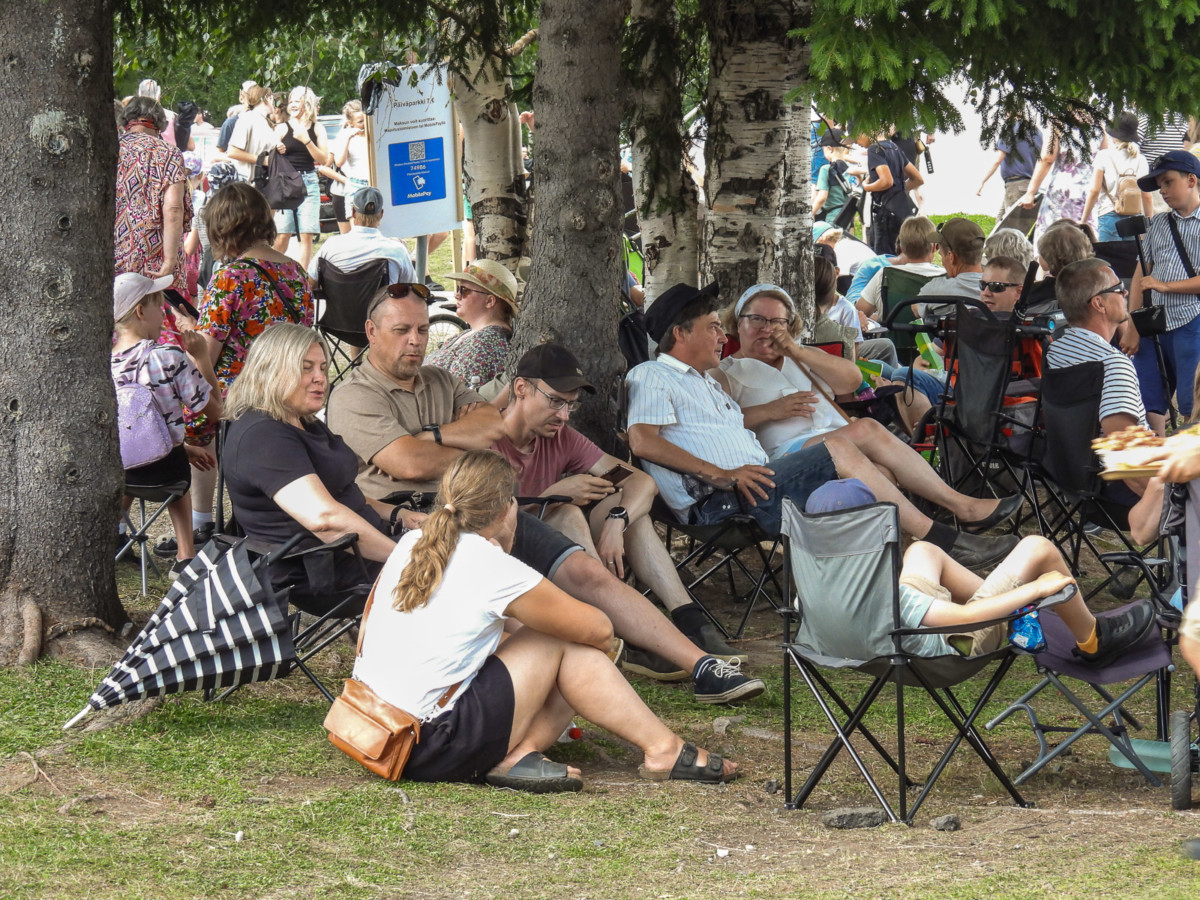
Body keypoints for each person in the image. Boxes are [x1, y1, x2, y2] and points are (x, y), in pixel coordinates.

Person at [326, 283, 764, 703]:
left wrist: (430, 435)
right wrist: (455, 442)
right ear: (371, 332)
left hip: (478, 513)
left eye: (422, 329)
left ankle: (702, 664)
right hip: (410, 527)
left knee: (588, 572)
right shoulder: (353, 395)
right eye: (402, 330)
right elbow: (409, 464)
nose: (416, 340)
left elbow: (491, 425)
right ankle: (618, 646)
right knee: (561, 532)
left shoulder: (439, 379)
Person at [353, 450, 738, 790]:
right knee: (567, 638)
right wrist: (508, 557)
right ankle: (661, 749)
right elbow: (599, 629)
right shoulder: (490, 564)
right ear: (506, 509)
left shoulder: (413, 543)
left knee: (551, 637)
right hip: (431, 745)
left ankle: (653, 748)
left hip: (380, 730)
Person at [626, 282, 1020, 572]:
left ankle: (900, 570)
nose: (720, 336)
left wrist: (793, 352)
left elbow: (851, 381)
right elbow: (642, 441)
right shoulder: (654, 374)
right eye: (713, 327)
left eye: (719, 326)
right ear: (680, 334)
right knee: (844, 446)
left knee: (869, 472)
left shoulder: (705, 383)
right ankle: (941, 538)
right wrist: (722, 473)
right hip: (725, 501)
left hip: (755, 483)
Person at [494, 342, 743, 661]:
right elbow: (483, 522)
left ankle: (690, 621)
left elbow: (640, 482)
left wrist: (617, 520)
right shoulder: (486, 437)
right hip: (509, 559)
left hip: (563, 562)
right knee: (567, 512)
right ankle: (616, 632)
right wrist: (553, 496)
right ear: (521, 388)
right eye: (555, 401)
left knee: (629, 512)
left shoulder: (563, 438)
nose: (564, 416)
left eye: (570, 405)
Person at [157, 182, 315, 559]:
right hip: (289, 387)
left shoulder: (231, 276)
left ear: (223, 228)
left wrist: (191, 331)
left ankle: (200, 523)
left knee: (192, 414)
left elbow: (206, 355)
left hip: (242, 395)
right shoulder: (296, 272)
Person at [221, 324, 423, 612]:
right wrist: (406, 559)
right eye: (306, 368)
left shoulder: (302, 421)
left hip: (363, 550)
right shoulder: (263, 436)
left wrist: (399, 514)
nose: (320, 378)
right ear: (271, 370)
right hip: (330, 571)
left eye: (323, 368)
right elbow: (325, 519)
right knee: (466, 568)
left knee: (472, 539)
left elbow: (341, 494)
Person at [112, 273, 222, 575]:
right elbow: (216, 411)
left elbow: (135, 428)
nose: (164, 316)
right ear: (140, 311)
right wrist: (202, 357)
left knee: (131, 449)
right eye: (159, 308)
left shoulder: (105, 363)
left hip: (120, 473)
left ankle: (116, 533)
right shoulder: (168, 357)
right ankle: (186, 556)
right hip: (166, 475)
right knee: (173, 459)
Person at [1046, 257, 1148, 501]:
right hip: (1114, 490)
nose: (1125, 292)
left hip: (1069, 478)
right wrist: (1172, 502)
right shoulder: (1111, 364)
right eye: (1118, 288)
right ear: (1099, 303)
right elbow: (1128, 462)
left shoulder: (1055, 350)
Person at [1123, 151, 1200, 419]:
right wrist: (1133, 325)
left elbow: (1155, 282)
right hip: (1154, 322)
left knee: (1192, 402)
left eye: (1168, 182)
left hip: (1192, 320)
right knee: (1148, 398)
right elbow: (1140, 275)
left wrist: (1166, 286)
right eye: (1159, 186)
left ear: (1191, 180)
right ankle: (1154, 445)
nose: (1163, 191)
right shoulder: (1158, 223)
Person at [114, 97, 193, 297]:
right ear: (159, 123)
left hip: (113, 257)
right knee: (156, 314)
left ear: (126, 120)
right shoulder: (169, 153)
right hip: (154, 263)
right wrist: (169, 261)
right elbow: (173, 209)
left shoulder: (111, 150)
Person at [425, 260, 520, 385]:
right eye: (458, 289)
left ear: (489, 301)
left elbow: (457, 389)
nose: (457, 295)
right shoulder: (474, 334)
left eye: (464, 290)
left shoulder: (489, 343)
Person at [272, 86, 331, 270]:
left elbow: (324, 160)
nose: (292, 104)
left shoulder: (317, 128)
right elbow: (269, 153)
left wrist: (307, 140)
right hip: (286, 183)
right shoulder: (282, 128)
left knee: (306, 234)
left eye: (297, 101)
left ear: (307, 103)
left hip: (309, 182)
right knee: (283, 234)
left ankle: (301, 277)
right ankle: (273, 273)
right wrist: (276, 147)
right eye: (290, 101)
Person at [307, 186, 415, 285]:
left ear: (353, 212)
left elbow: (310, 282)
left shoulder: (331, 245)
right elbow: (412, 288)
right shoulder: (397, 250)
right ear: (381, 214)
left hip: (338, 301)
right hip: (383, 301)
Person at [1080, 111, 1153, 243]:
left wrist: (1083, 221)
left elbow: (1094, 191)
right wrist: (1149, 225)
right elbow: (1147, 196)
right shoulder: (1141, 159)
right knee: (1132, 255)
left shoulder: (1104, 156)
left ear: (1114, 134)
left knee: (1109, 255)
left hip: (1109, 215)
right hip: (1134, 218)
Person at [855, 215, 944, 321]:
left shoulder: (884, 275)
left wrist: (879, 317)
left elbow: (858, 314)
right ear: (934, 247)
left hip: (890, 332)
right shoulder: (947, 279)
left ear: (902, 248)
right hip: (936, 332)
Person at [861, 132, 924, 255]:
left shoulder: (874, 149)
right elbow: (918, 179)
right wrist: (899, 190)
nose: (856, 142)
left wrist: (867, 187)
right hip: (900, 210)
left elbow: (887, 181)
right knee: (902, 253)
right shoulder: (894, 147)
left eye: (855, 137)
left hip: (885, 214)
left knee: (885, 256)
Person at [978, 117, 1043, 234]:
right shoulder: (1037, 131)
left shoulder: (1010, 128)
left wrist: (983, 181)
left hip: (1016, 185)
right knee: (1000, 223)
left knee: (1011, 231)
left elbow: (998, 159)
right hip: (1030, 186)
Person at [915, 218, 986, 316]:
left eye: (941, 255)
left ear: (951, 257)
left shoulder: (935, 290)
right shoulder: (998, 290)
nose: (942, 262)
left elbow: (916, 309)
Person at [224, 85, 277, 182]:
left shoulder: (265, 121)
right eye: (272, 98)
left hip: (261, 183)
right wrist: (262, 160)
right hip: (246, 183)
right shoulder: (247, 119)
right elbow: (232, 152)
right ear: (266, 99)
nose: (274, 103)